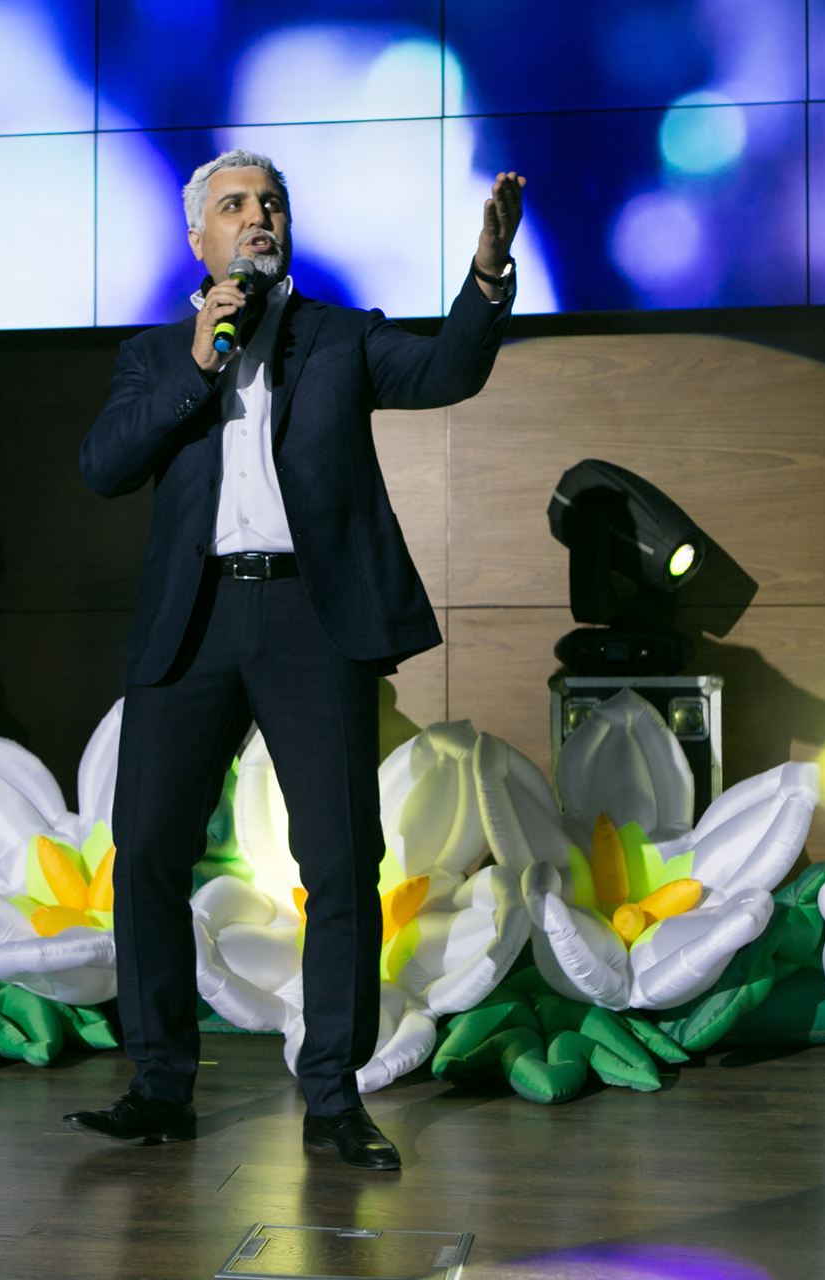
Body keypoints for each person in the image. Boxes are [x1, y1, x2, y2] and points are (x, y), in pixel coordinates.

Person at [70, 149, 525, 1170]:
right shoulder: (157, 355)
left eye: (271, 202)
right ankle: (159, 1086)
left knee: (340, 860)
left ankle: (332, 1095)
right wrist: (199, 363)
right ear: (199, 237)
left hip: (311, 617)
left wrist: (488, 273)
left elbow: (448, 369)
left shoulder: (341, 337)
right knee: (147, 852)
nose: (258, 216)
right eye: (234, 205)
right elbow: (104, 466)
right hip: (191, 619)